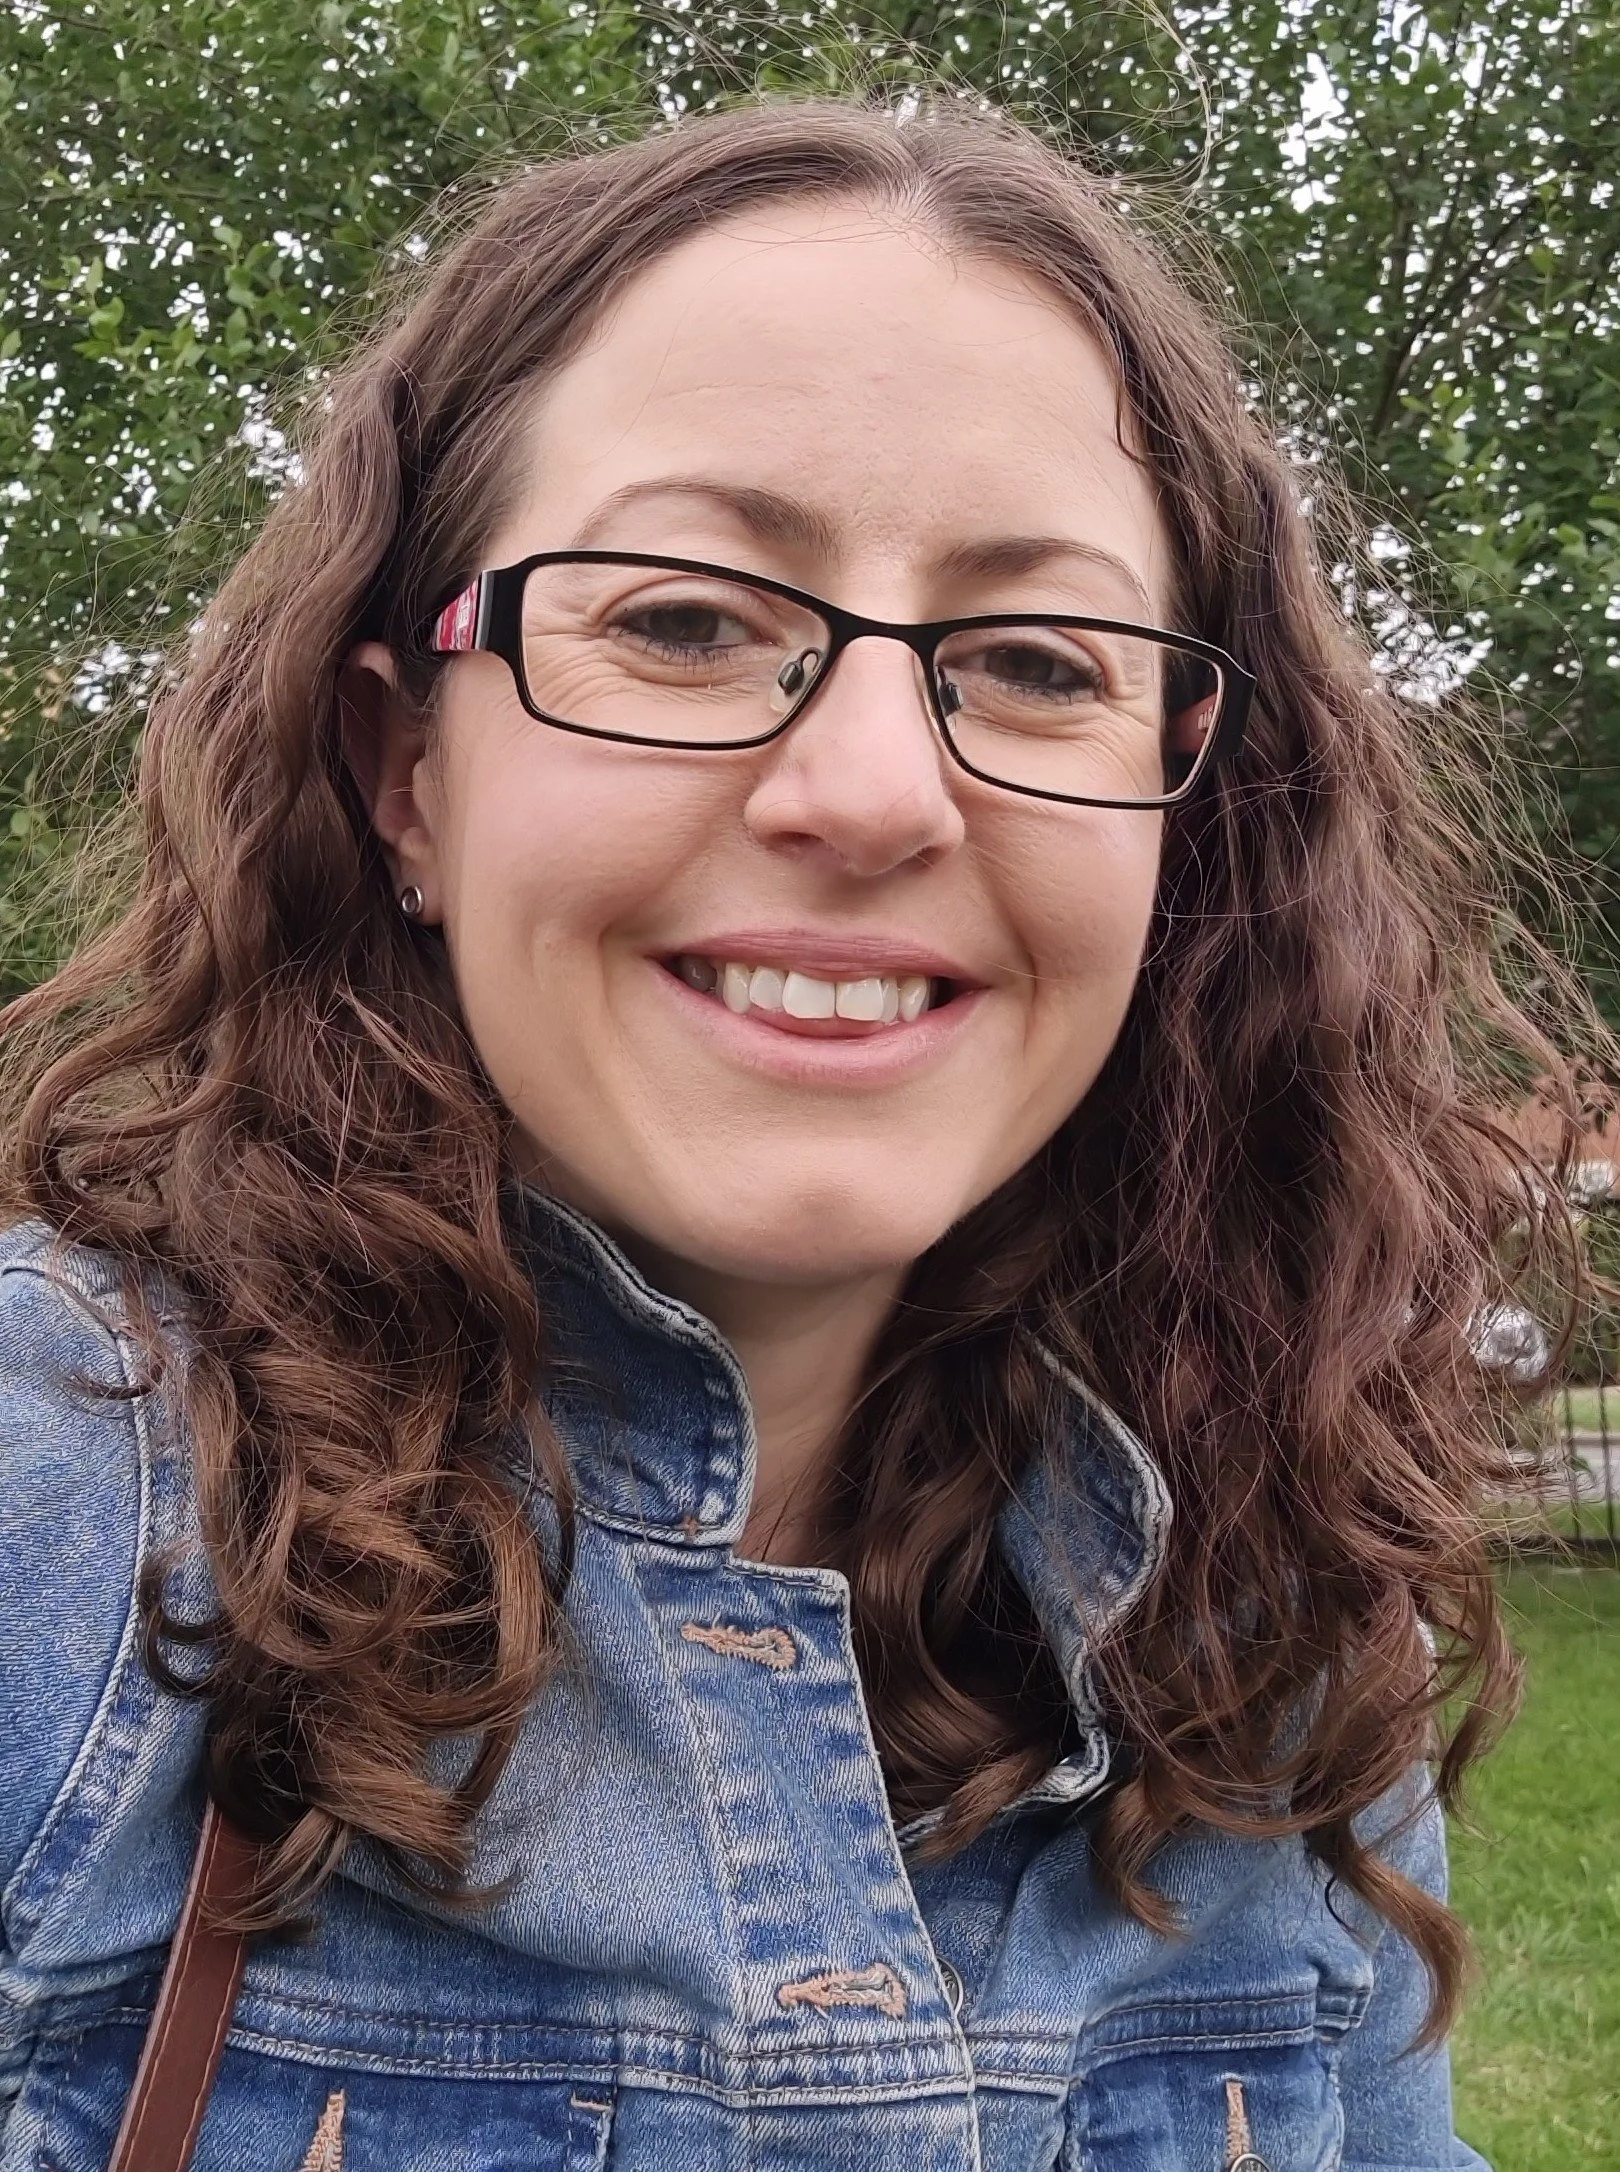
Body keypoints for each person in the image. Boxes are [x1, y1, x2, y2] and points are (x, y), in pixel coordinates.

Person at [0, 94, 1583, 2172]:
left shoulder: (1275, 1608)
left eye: (1032, 662)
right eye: (679, 621)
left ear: (1186, 813)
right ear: (406, 779)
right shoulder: (53, 1507)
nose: (874, 792)